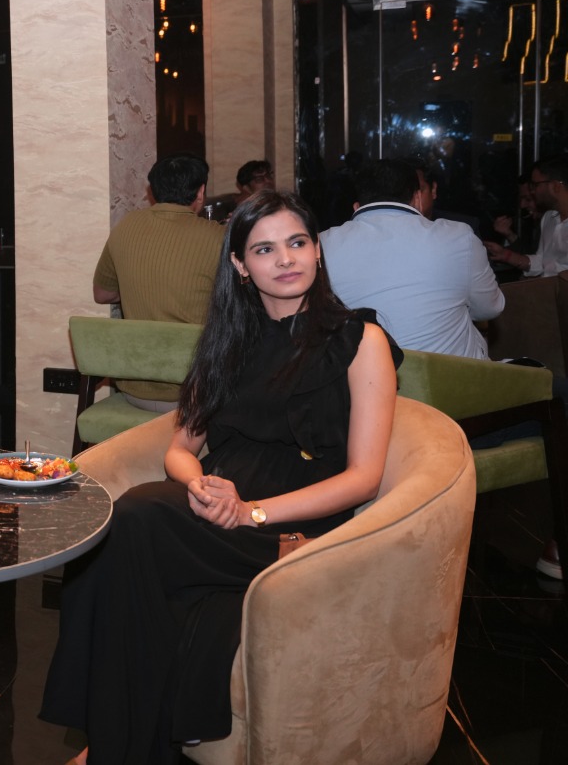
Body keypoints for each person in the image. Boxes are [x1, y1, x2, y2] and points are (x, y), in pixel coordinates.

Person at [42, 191, 399, 764]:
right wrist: (200, 486)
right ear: (240, 265)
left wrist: (252, 512)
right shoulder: (230, 340)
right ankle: (117, 745)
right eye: (264, 249)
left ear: (317, 250)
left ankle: (104, 746)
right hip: (218, 512)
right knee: (130, 551)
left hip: (296, 526)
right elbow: (180, 450)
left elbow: (365, 478)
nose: (286, 259)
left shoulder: (360, 341)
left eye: (297, 242)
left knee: (133, 518)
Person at [320, 158, 503, 359]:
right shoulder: (459, 237)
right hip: (448, 374)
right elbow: (489, 308)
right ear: (417, 199)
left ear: (356, 206)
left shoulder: (322, 244)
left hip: (360, 373)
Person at [92, 153, 225, 410]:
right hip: (198, 395)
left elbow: (102, 294)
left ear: (152, 191)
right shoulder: (218, 237)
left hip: (134, 390)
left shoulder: (126, 226)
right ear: (200, 192)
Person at [487, 155, 568, 277]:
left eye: (535, 185)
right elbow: (542, 263)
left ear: (556, 186)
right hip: (547, 287)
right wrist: (506, 255)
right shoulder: (548, 217)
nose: (533, 191)